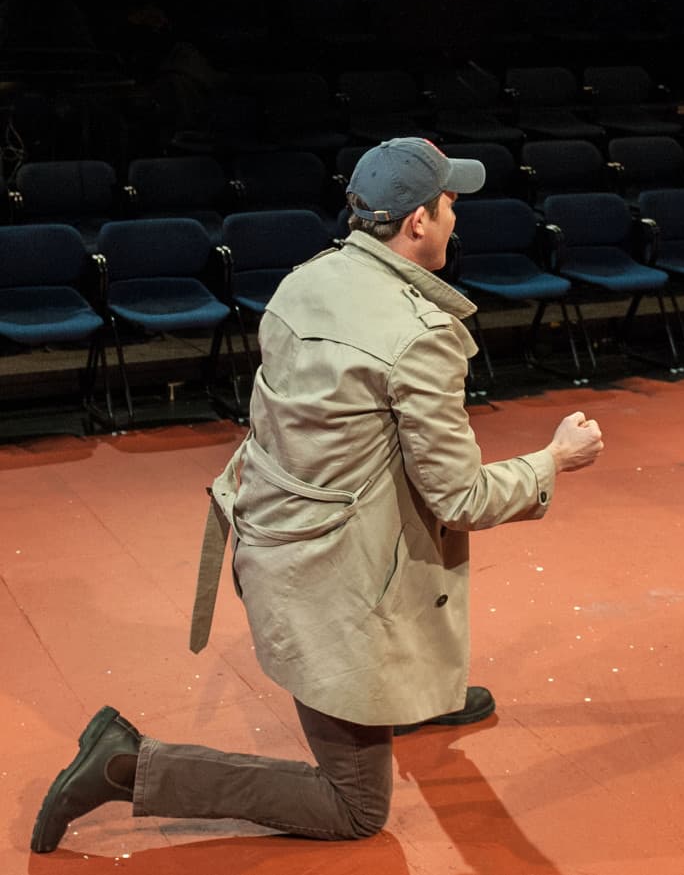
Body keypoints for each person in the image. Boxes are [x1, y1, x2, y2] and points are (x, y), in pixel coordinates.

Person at [31, 138, 605, 853]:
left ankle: (414, 697)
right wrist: (554, 461)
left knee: (399, 520)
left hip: (273, 546)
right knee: (356, 806)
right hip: (329, 596)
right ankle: (125, 764)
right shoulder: (420, 336)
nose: (458, 211)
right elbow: (460, 498)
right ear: (417, 223)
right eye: (449, 199)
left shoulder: (307, 278)